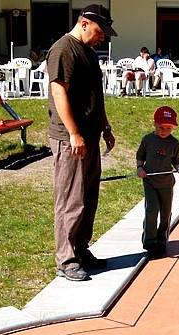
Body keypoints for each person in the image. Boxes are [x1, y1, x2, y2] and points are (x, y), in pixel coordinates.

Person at [46, 4, 117, 281]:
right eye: (100, 31)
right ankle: (66, 259)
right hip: (70, 139)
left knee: (88, 197)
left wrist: (105, 126)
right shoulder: (64, 49)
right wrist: (73, 132)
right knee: (70, 199)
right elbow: (58, 91)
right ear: (85, 23)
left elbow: (94, 96)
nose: (103, 38)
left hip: (90, 136)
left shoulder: (88, 52)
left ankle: (81, 248)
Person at [136, 106, 179, 256]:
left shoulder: (174, 143)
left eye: (168, 128)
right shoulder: (147, 140)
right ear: (154, 124)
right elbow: (140, 156)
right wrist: (140, 168)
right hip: (150, 181)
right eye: (161, 127)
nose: (164, 131)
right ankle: (150, 240)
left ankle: (162, 240)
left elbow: (177, 162)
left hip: (166, 183)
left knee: (166, 212)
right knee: (152, 210)